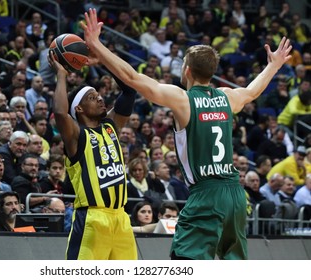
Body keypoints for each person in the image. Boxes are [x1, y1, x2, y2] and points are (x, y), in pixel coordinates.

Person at [81, 9, 292, 260]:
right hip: (235, 193)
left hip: (206, 194)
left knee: (184, 263)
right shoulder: (228, 97)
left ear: (188, 70)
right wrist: (274, 65)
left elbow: (132, 77)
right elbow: (252, 91)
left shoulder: (183, 100)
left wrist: (96, 44)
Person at [49, 43, 138, 260]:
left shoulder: (110, 126)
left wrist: (104, 59)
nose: (99, 98)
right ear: (78, 108)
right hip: (92, 218)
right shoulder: (76, 135)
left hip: (121, 219)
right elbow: (60, 113)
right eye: (91, 97)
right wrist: (61, 74)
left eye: (98, 95)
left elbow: (129, 90)